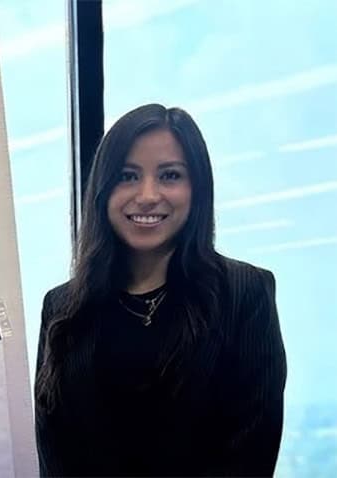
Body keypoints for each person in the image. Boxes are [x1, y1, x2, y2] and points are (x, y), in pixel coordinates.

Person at [34, 103, 287, 477]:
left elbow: (252, 450)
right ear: (103, 190)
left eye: (170, 175)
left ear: (197, 188)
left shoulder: (246, 294)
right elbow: (53, 452)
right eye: (127, 176)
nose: (148, 195)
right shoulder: (63, 307)